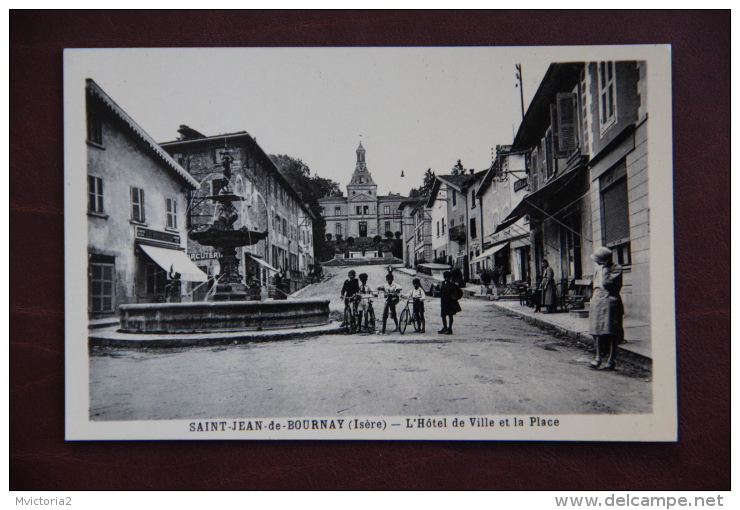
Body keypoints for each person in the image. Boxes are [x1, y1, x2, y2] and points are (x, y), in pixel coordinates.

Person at [589, 247, 624, 371]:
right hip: (598, 301)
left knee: (611, 331)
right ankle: (598, 357)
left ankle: (611, 359)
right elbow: (596, 285)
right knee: (597, 330)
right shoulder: (598, 268)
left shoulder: (616, 268)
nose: (596, 262)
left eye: (598, 260)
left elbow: (607, 283)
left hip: (610, 301)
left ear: (604, 260)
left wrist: (606, 268)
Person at [439, 270, 462, 335]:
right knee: (443, 315)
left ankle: (450, 328)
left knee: (450, 315)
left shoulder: (453, 285)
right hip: (443, 302)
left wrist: (455, 297)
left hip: (450, 303)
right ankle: (445, 327)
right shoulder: (442, 283)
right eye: (445, 277)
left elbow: (460, 292)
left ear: (450, 278)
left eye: (448, 277)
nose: (447, 278)